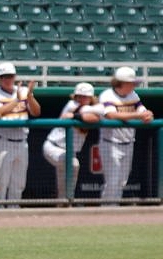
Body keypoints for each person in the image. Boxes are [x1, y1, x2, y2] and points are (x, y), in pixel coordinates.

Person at [0, 62, 41, 203]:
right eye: (4, 77)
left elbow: (36, 112)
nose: (7, 79)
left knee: (19, 183)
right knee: (0, 183)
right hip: (2, 141)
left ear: (14, 76)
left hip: (22, 143)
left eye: (10, 76)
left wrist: (29, 96)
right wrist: (16, 100)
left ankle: (14, 212)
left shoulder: (23, 91)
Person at [98, 67, 153, 202]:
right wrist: (138, 115)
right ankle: (108, 211)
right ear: (121, 82)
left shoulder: (133, 95)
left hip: (128, 142)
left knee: (122, 181)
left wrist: (147, 115)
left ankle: (113, 209)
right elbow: (111, 115)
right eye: (131, 83)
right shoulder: (107, 95)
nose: (133, 85)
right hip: (110, 143)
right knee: (112, 181)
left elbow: (143, 111)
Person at [43, 82, 102, 201]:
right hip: (53, 147)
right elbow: (90, 117)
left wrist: (75, 116)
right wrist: (83, 116)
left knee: (63, 187)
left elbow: (96, 117)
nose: (81, 99)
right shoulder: (71, 105)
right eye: (79, 96)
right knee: (74, 164)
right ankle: (69, 200)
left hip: (70, 151)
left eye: (85, 97)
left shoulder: (89, 108)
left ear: (91, 97)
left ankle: (63, 208)